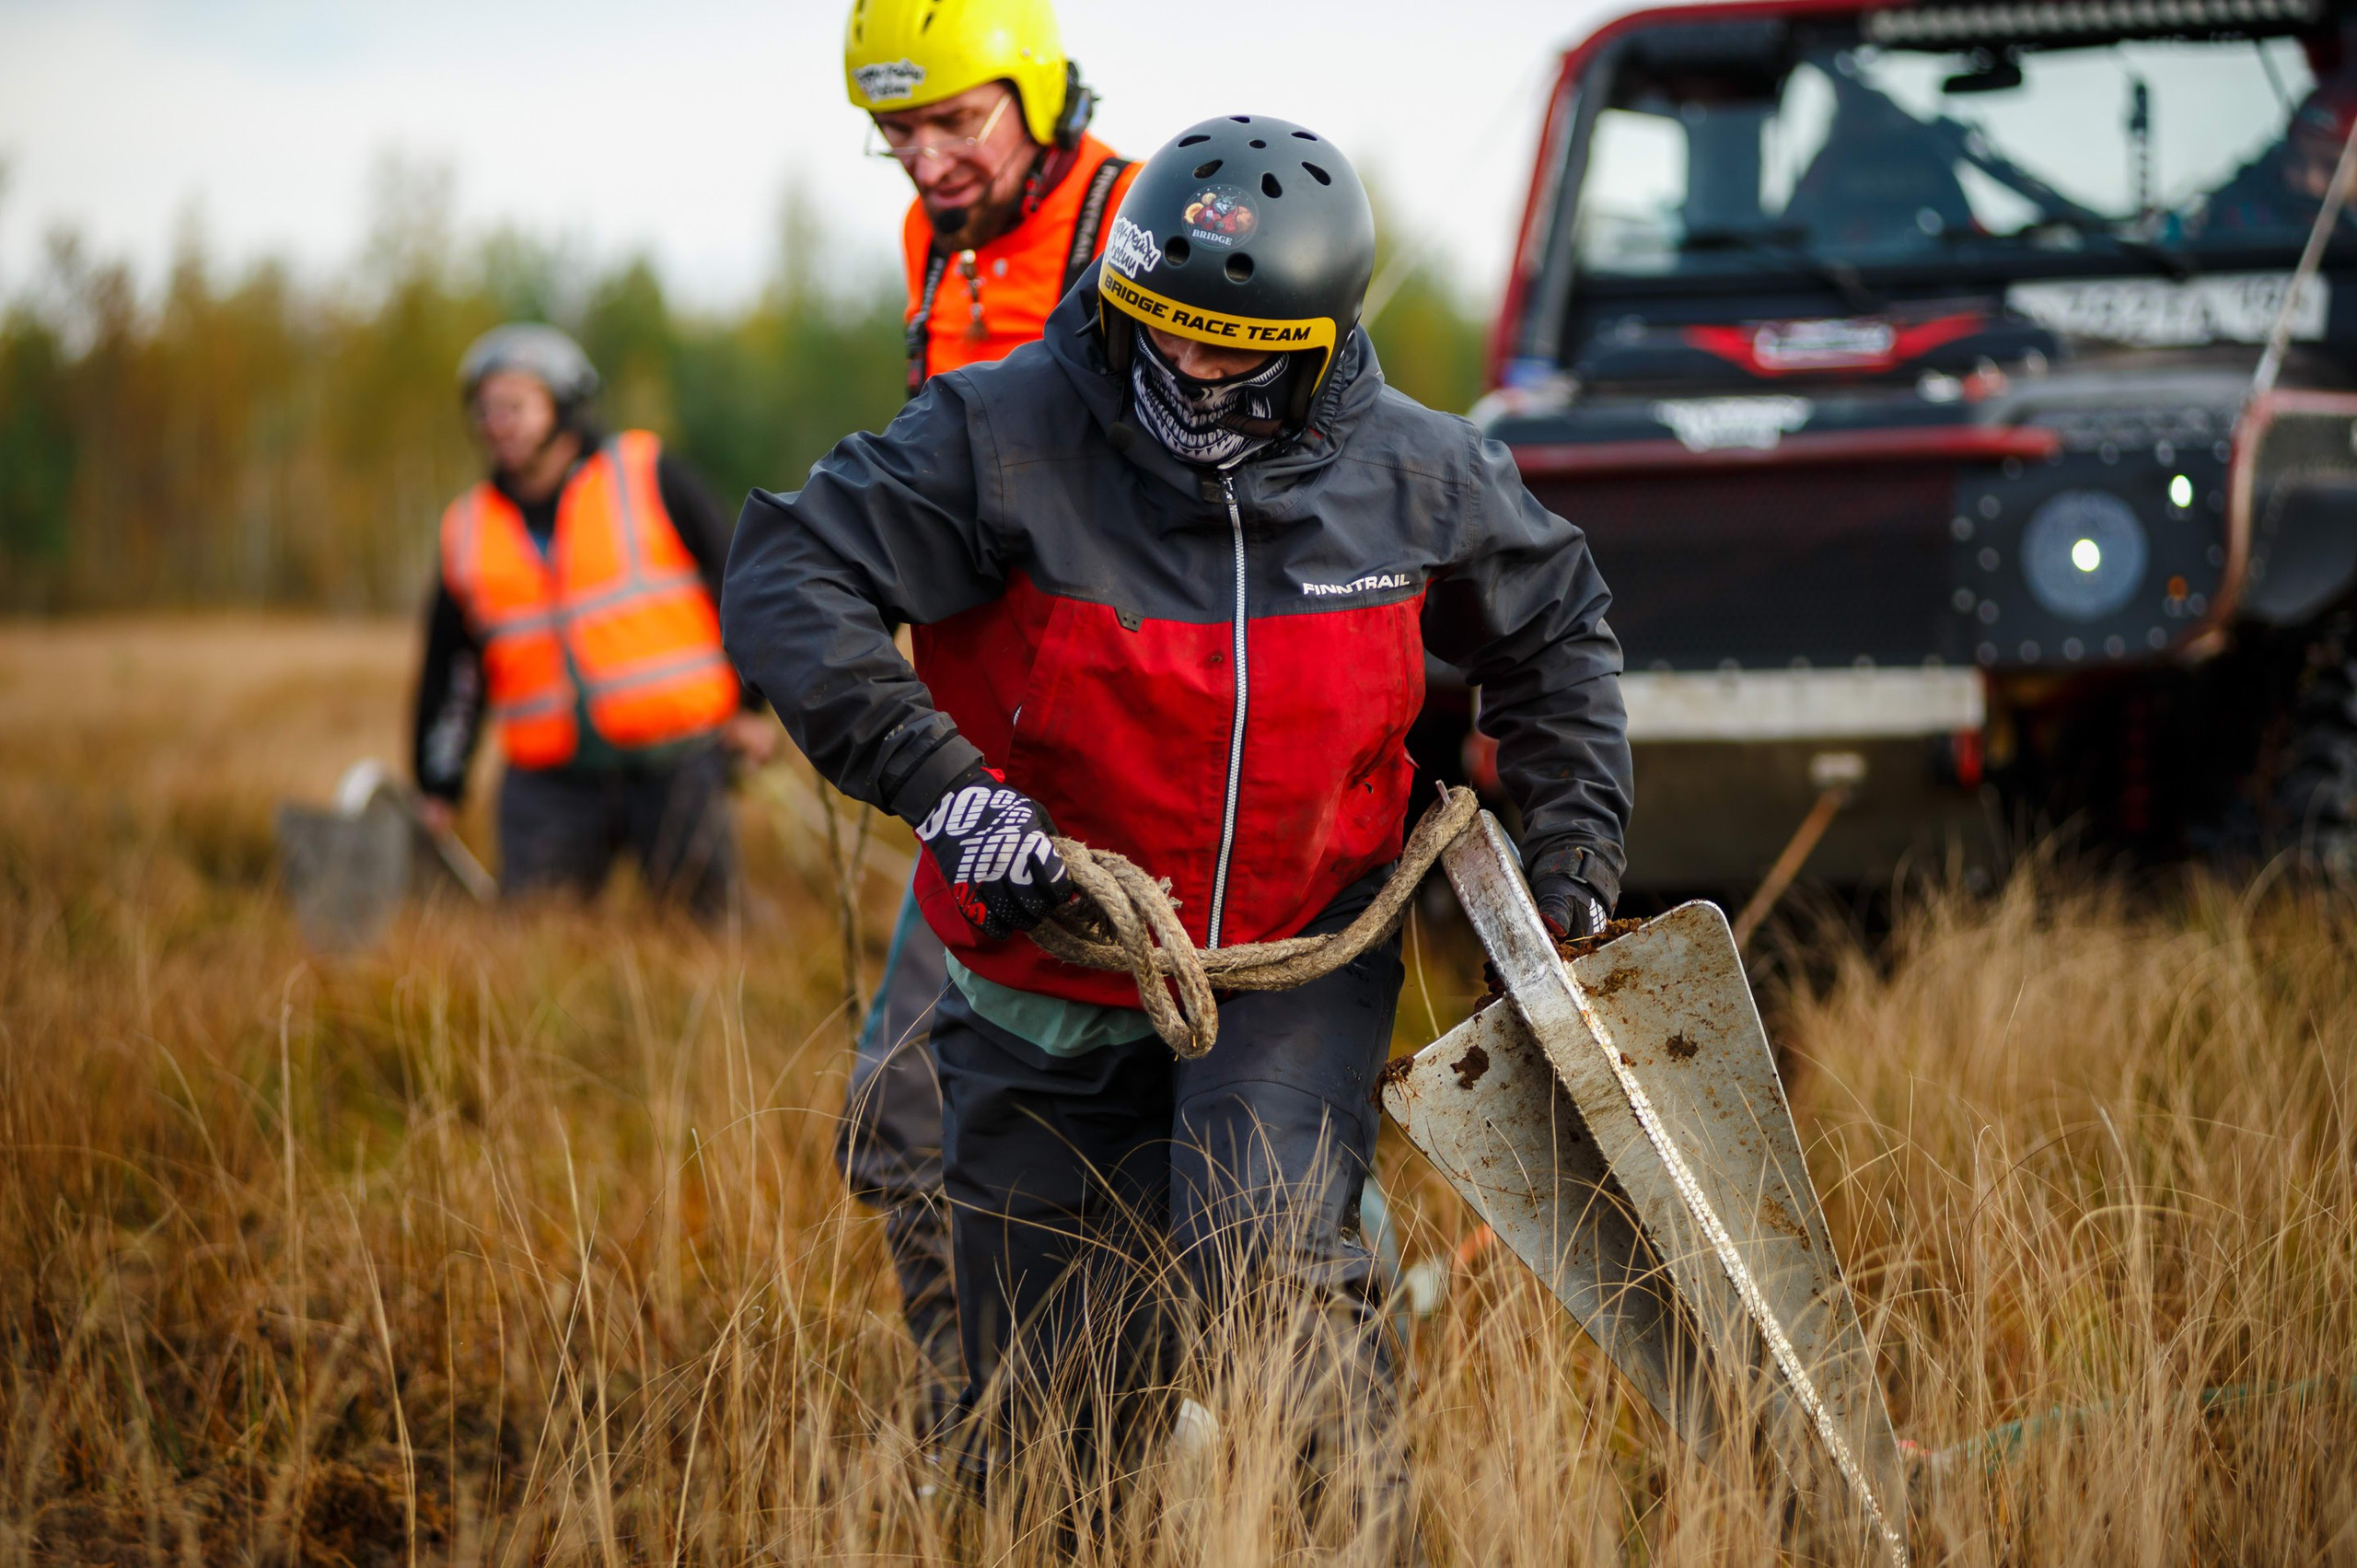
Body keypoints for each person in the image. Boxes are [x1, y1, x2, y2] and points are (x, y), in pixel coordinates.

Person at [722, 116, 1630, 1538]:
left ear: (1317, 342)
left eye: (1223, 347)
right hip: (1037, 969)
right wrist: (949, 790)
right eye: (1156, 329)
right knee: (1055, 1405)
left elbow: (1558, 626)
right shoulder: (1001, 434)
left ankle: (1344, 1535)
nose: (1181, 371)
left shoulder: (1418, 476)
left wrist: (1576, 842)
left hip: (1296, 954)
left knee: (1263, 1254)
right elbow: (789, 571)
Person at [836, 0, 1142, 1440]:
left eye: (957, 123)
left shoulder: (1147, 219)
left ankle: (1285, 1406)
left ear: (1036, 91)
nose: (929, 163)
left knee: (1232, 1145)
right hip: (986, 762)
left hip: (1157, 753)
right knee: (901, 1109)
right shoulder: (929, 247)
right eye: (900, 135)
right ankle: (988, 1433)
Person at [412, 324, 776, 920]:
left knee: (711, 939)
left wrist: (749, 706)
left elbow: (741, 589)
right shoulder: (467, 528)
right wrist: (439, 783)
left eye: (514, 405)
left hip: (677, 760)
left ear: (564, 406)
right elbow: (451, 669)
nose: (495, 422)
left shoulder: (649, 474)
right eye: (483, 408)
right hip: (548, 783)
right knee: (536, 948)